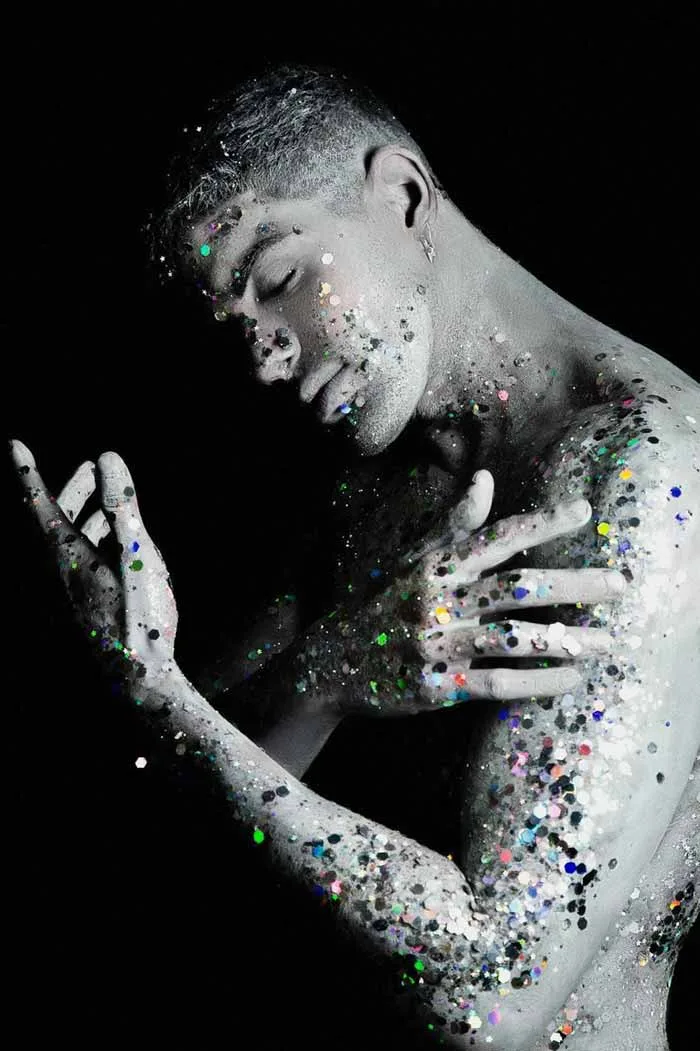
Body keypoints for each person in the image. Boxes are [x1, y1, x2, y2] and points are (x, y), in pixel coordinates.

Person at [12, 66, 698, 1050]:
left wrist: (162, 702)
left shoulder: (641, 468)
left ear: (404, 197)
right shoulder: (372, 479)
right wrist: (300, 676)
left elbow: (487, 994)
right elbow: (172, 830)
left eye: (279, 277)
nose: (263, 359)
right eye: (233, 327)